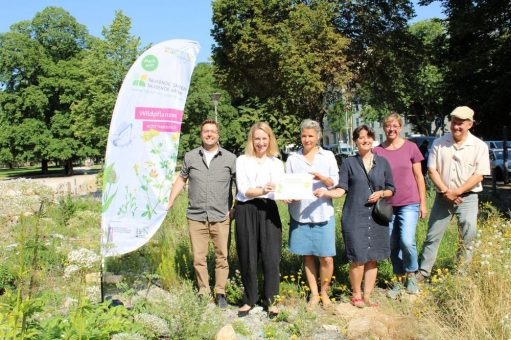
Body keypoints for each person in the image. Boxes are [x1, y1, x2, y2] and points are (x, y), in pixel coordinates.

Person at [317, 125, 395, 308]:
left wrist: (381, 193)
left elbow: (392, 189)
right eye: (361, 137)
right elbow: (341, 189)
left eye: (368, 137)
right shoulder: (348, 163)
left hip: (377, 217)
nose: (365, 140)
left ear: (373, 139)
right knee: (358, 258)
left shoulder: (382, 163)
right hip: (354, 217)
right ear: (355, 141)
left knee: (373, 258)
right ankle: (356, 294)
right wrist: (325, 193)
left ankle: (368, 295)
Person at [167, 119, 236, 308]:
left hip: (221, 216)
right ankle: (203, 291)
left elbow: (240, 185)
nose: (209, 134)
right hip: (196, 216)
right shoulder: (190, 157)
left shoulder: (230, 158)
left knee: (222, 256)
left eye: (213, 131)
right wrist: (171, 200)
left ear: (218, 134)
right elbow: (181, 180)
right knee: (199, 257)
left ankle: (220, 291)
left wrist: (235, 207)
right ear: (201, 134)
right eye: (206, 131)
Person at [417, 106, 490, 281]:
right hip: (443, 197)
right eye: (454, 123)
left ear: (470, 124)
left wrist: (457, 192)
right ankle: (424, 272)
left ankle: (461, 274)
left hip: (468, 198)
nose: (456, 127)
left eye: (460, 124)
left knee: (468, 235)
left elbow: (479, 174)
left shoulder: (479, 146)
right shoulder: (439, 143)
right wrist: (446, 191)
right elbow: (432, 169)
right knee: (433, 235)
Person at [285, 119, 339, 310]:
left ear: (318, 137)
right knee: (307, 256)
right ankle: (314, 294)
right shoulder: (292, 159)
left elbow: (335, 182)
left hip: (323, 213)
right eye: (304, 135)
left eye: (310, 136)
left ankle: (324, 291)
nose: (307, 139)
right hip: (300, 214)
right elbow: (287, 185)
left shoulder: (328, 156)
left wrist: (323, 179)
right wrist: (287, 196)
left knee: (326, 257)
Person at [373, 113, 427, 298]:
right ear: (383, 128)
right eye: (388, 126)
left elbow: (420, 177)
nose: (392, 129)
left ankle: (411, 274)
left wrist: (423, 203)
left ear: (400, 127)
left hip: (409, 202)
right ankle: (398, 279)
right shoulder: (377, 151)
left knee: (406, 240)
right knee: (391, 244)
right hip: (387, 205)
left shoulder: (411, 148)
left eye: (395, 126)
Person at [235, 122, 284, 317]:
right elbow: (243, 189)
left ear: (270, 140)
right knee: (248, 255)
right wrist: (263, 189)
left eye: (265, 138)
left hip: (268, 209)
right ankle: (250, 299)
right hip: (246, 209)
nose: (261, 142)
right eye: (257, 138)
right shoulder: (242, 160)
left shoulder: (277, 163)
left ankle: (272, 301)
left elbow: (280, 190)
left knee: (271, 256)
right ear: (251, 140)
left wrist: (288, 195)